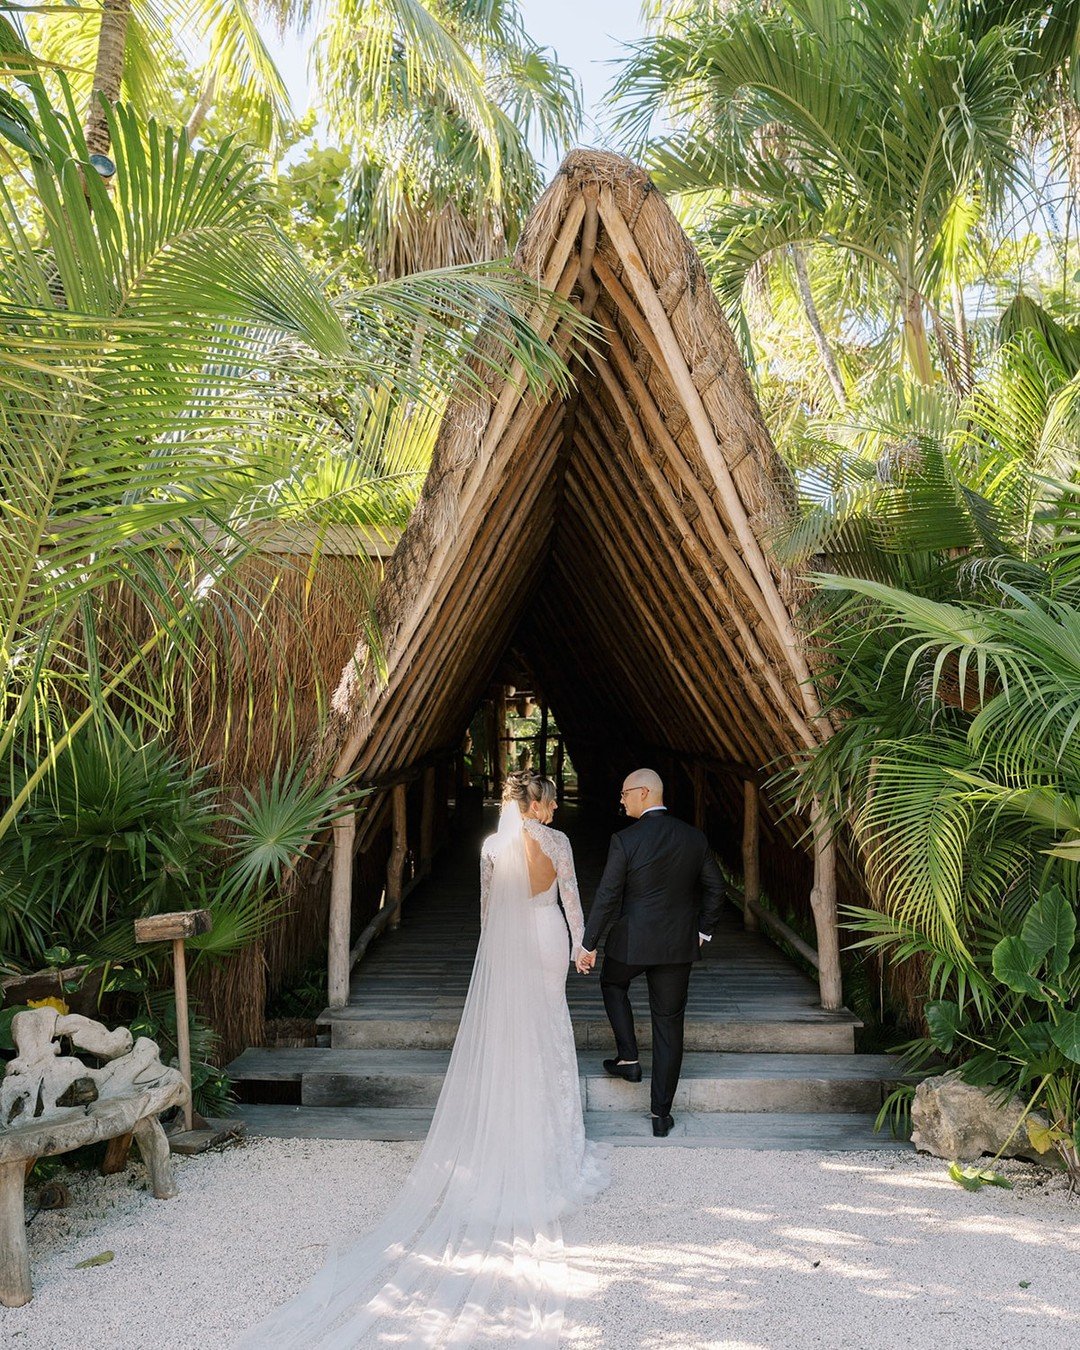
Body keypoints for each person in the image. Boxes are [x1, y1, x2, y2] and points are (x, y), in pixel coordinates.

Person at [238, 770, 608, 1348]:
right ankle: (550, 1141)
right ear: (535, 803)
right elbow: (571, 901)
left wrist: (493, 962)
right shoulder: (557, 843)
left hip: (511, 945)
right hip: (548, 937)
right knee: (549, 1027)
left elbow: (487, 916)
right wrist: (582, 949)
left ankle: (505, 1137)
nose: (556, 808)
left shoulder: (493, 847)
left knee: (513, 1036)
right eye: (551, 800)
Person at [577, 768, 725, 1137]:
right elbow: (716, 888)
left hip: (633, 943)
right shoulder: (692, 837)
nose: (621, 800)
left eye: (624, 793)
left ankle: (628, 1057)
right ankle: (661, 1115)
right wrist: (702, 932)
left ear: (643, 792)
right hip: (677, 945)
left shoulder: (625, 840)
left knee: (613, 984)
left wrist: (588, 944)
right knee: (669, 1025)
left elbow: (608, 895)